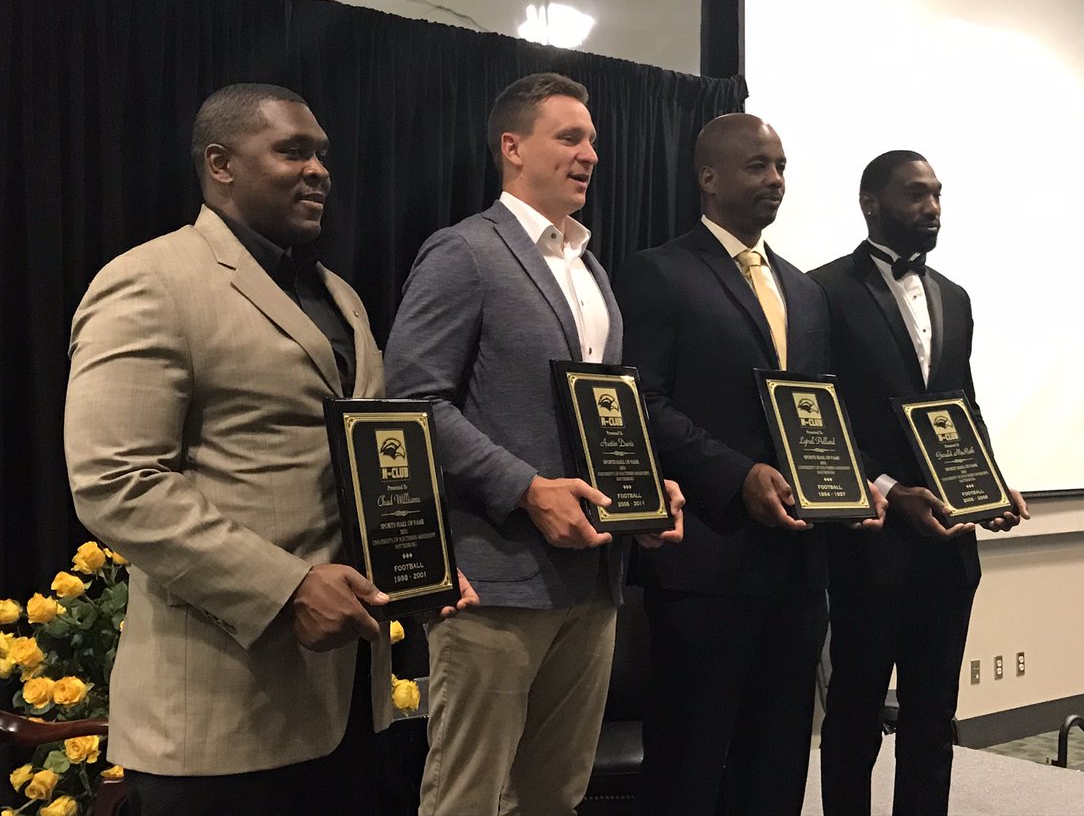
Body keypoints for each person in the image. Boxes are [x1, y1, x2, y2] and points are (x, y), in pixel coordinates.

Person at [63, 83, 474, 816]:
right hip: (219, 720)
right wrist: (284, 588)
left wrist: (423, 567)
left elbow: (371, 461)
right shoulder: (148, 281)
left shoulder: (340, 297)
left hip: (350, 705)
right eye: (291, 151)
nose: (318, 169)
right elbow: (115, 480)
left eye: (321, 154)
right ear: (220, 163)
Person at [384, 72, 683, 816]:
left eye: (593, 142)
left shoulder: (591, 270)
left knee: (556, 794)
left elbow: (604, 414)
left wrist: (650, 487)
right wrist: (524, 487)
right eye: (570, 137)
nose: (589, 154)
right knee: (470, 796)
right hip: (497, 581)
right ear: (512, 148)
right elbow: (412, 399)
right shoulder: (464, 252)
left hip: (594, 582)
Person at [613, 113, 884, 815]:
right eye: (757, 166)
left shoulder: (803, 290)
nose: (775, 181)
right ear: (708, 178)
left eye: (782, 166)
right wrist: (736, 475)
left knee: (779, 757)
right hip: (708, 562)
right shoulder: (659, 273)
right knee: (690, 761)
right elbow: (641, 399)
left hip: (797, 567)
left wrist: (851, 483)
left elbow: (818, 410)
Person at [810, 150, 1030, 816]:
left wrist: (989, 486)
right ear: (870, 203)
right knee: (854, 713)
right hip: (869, 539)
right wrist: (882, 486)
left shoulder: (955, 297)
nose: (932, 207)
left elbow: (961, 405)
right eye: (916, 195)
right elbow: (820, 415)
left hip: (948, 546)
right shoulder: (820, 290)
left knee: (935, 717)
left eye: (937, 195)